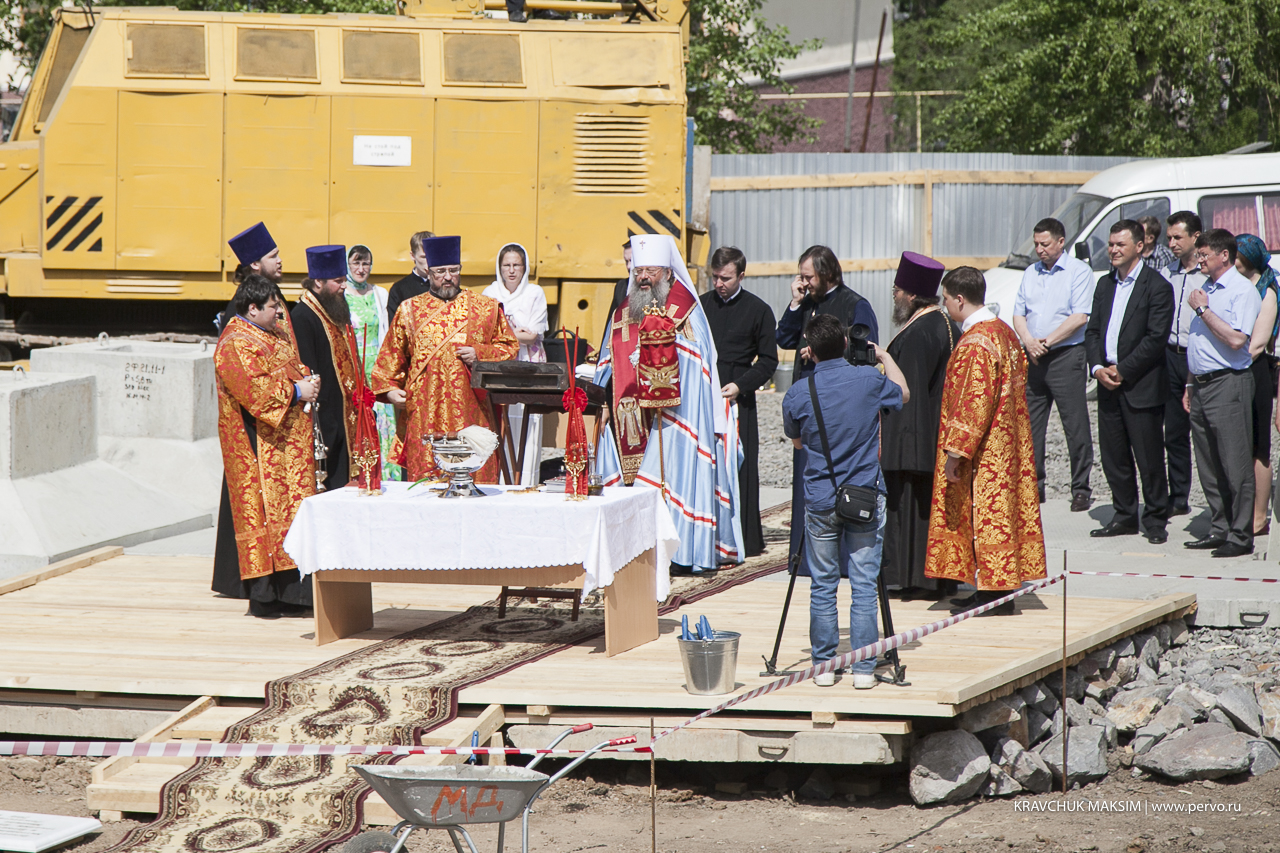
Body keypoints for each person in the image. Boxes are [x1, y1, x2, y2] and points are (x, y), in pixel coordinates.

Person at [594, 233, 743, 574]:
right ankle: (634, 550)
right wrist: (602, 395)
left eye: (651, 271)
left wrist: (659, 354)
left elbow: (700, 361)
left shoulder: (685, 308)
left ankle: (681, 552)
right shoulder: (624, 310)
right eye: (639, 271)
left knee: (675, 479)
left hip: (677, 417)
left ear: (668, 272)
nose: (643, 278)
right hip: (631, 414)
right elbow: (607, 355)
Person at [783, 314, 907, 688]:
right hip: (864, 495)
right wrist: (884, 356)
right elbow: (902, 393)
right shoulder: (868, 379)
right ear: (846, 344)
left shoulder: (798, 392)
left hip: (821, 498)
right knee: (864, 584)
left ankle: (824, 666)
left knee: (823, 585)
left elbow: (798, 442)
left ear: (810, 350)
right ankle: (864, 670)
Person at [925, 267, 1046, 616]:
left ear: (960, 299)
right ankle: (993, 589)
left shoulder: (976, 342)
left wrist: (955, 453)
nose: (945, 306)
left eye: (946, 299)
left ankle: (995, 595)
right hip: (1007, 443)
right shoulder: (1004, 331)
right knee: (1001, 516)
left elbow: (973, 403)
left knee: (985, 516)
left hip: (984, 452)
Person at [212, 274, 319, 618]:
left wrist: (306, 379)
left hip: (286, 444)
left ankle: (294, 596)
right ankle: (266, 597)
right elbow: (255, 391)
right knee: (262, 514)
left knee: (291, 513)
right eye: (273, 307)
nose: (280, 313)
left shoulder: (272, 333)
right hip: (257, 446)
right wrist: (298, 390)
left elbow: (291, 366)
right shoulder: (235, 343)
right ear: (253, 308)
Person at [372, 235, 518, 482]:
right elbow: (390, 357)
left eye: (453, 270)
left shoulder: (485, 308)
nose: (448, 277)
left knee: (472, 480)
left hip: (472, 410)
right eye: (440, 271)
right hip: (425, 411)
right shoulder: (409, 310)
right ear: (428, 272)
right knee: (427, 485)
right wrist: (390, 391)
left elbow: (509, 347)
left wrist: (480, 353)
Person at [776, 245, 879, 573]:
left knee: (843, 482)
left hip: (841, 408)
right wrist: (795, 303)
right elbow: (783, 338)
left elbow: (867, 351)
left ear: (828, 273)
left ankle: (846, 561)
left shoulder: (855, 305)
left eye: (808, 277)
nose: (804, 282)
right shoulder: (806, 303)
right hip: (809, 406)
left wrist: (825, 352)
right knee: (810, 481)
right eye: (801, 277)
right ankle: (808, 561)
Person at [211, 225, 295, 601]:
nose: (280, 261)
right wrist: (292, 391)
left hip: (274, 417)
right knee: (249, 502)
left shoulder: (270, 296)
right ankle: (247, 582)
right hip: (253, 425)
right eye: (273, 255)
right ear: (255, 264)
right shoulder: (243, 310)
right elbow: (244, 375)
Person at [1084, 220, 1173, 544]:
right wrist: (1098, 368)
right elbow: (1093, 331)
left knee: (1149, 458)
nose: (1113, 250)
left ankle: (1155, 519)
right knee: (1114, 456)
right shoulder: (1105, 284)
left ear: (1139, 246)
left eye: (1120, 244)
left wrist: (1123, 370)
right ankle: (1124, 515)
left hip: (1140, 385)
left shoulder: (1157, 286)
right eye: (1110, 244)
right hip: (1107, 381)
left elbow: (1155, 338)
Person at [880, 251, 958, 600]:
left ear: (911, 295)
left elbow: (906, 397)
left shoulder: (918, 334)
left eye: (897, 290)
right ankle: (936, 579)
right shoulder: (944, 323)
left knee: (911, 512)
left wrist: (898, 451)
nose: (894, 296)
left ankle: (914, 580)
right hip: (934, 435)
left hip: (912, 442)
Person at [1182, 229, 1262, 557]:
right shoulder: (1207, 289)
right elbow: (1198, 342)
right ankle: (1220, 527)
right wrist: (1190, 383)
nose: (1199, 260)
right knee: (1209, 463)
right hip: (1201, 385)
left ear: (1224, 255)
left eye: (1204, 255)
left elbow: (1236, 340)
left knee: (1235, 462)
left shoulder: (1241, 291)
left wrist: (1203, 311)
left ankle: (1241, 535)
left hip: (1228, 383)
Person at [699, 246, 779, 557]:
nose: (719, 284)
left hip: (738, 399)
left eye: (726, 278)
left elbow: (768, 361)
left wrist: (741, 386)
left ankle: (744, 537)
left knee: (740, 466)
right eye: (715, 277)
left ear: (741, 276)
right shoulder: (701, 306)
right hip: (705, 396)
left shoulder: (759, 310)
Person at [1012, 217, 1096, 511]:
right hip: (1034, 357)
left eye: (1045, 244)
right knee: (1031, 426)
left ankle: (1081, 488)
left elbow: (1079, 317)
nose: (1039, 249)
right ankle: (1033, 487)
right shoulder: (1030, 273)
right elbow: (1019, 313)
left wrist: (1045, 342)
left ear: (1061, 242)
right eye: (1036, 244)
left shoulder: (1078, 272)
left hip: (1065, 356)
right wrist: (1028, 341)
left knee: (1075, 425)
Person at [292, 246, 361, 493]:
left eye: (344, 280)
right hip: (325, 423)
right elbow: (307, 372)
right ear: (318, 282)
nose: (344, 286)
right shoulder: (303, 316)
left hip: (345, 418)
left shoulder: (335, 307)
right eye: (338, 281)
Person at [482, 242, 548, 485]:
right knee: (499, 422)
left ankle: (525, 482)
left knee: (527, 422)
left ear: (524, 267)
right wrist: (517, 331)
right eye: (506, 265)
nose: (511, 270)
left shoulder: (535, 293)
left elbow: (532, 336)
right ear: (499, 267)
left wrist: (504, 332)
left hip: (528, 365)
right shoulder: (490, 293)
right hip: (499, 366)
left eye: (516, 265)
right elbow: (486, 334)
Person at [1162, 211, 1206, 518]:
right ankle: (1178, 496)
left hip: (1197, 358)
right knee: (1174, 432)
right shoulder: (1167, 272)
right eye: (1169, 238)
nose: (1172, 244)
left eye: (1178, 237)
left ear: (1195, 237)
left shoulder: (1207, 275)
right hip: (1170, 355)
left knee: (1203, 431)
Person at [344, 244, 400, 482]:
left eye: (365, 263)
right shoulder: (342, 294)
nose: (361, 269)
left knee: (382, 424)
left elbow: (387, 332)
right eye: (356, 263)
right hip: (353, 369)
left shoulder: (380, 294)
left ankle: (385, 477)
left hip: (376, 369)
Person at [1237, 234, 1279, 537]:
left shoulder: (1268, 290)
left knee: (1258, 446)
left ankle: (1259, 516)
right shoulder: (1237, 287)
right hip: (1236, 369)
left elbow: (1259, 342)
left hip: (1256, 369)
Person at [387, 230, 436, 323]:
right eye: (424, 257)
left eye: (432, 256)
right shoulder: (399, 289)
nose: (429, 261)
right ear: (413, 256)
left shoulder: (445, 285)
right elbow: (394, 326)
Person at [600, 240, 634, 352]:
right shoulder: (621, 286)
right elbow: (610, 325)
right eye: (626, 261)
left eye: (632, 261)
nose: (628, 266)